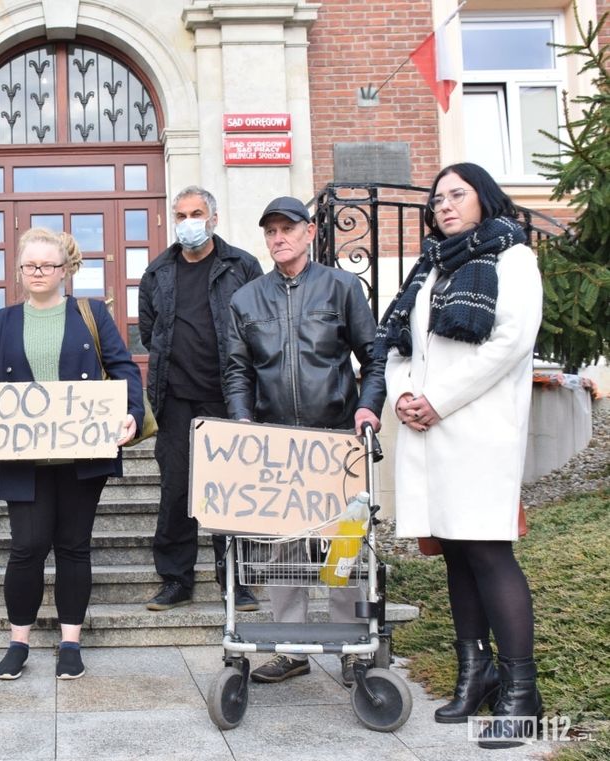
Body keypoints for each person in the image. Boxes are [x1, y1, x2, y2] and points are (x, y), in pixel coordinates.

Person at [376, 163, 542, 748]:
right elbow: (399, 347)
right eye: (437, 198)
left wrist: (438, 400)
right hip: (429, 431)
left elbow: (511, 341)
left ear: (483, 199)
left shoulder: (512, 258)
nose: (444, 206)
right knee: (455, 553)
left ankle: (523, 693)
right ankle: (477, 673)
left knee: (489, 552)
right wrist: (404, 398)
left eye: (457, 195)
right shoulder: (429, 270)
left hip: (478, 430)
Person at [0, 227, 142, 680]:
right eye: (29, 265)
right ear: (19, 270)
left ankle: (70, 642)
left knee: (74, 548)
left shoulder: (91, 314)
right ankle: (19, 641)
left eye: (48, 265)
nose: (37, 273)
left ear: (66, 270)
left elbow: (121, 368)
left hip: (84, 457)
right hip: (23, 460)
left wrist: (131, 412)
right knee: (27, 547)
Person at [225, 195, 385, 687]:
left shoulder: (341, 288)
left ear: (310, 232)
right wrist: (242, 420)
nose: (279, 238)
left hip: (336, 441)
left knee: (344, 549)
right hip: (276, 447)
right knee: (283, 550)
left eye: (288, 229)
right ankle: (290, 649)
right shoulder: (246, 299)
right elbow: (237, 371)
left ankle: (351, 648)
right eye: (271, 231)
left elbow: (374, 357)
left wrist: (368, 406)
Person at [138, 186, 264, 612]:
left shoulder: (242, 266)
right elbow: (149, 332)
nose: (188, 221)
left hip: (228, 398)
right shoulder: (157, 272)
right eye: (180, 214)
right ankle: (176, 580)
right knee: (176, 490)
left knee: (229, 491)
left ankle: (235, 582)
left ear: (213, 218)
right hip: (174, 399)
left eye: (196, 213)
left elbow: (258, 326)